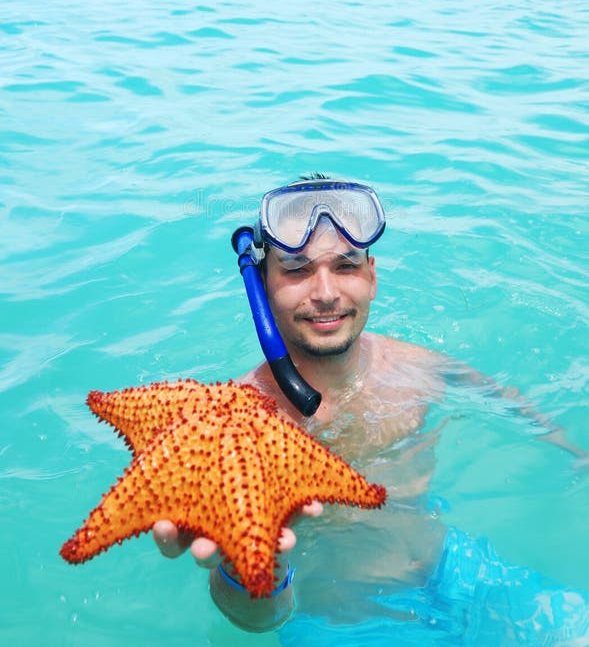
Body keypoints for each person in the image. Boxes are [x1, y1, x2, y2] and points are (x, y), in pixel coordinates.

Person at [154, 175, 589, 638]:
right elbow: (258, 619)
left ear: (372, 277)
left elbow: (504, 401)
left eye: (344, 266)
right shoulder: (236, 427)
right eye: (297, 270)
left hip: (458, 572)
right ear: (262, 286)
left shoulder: (419, 368)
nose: (325, 292)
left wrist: (573, 453)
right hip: (348, 622)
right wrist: (252, 571)